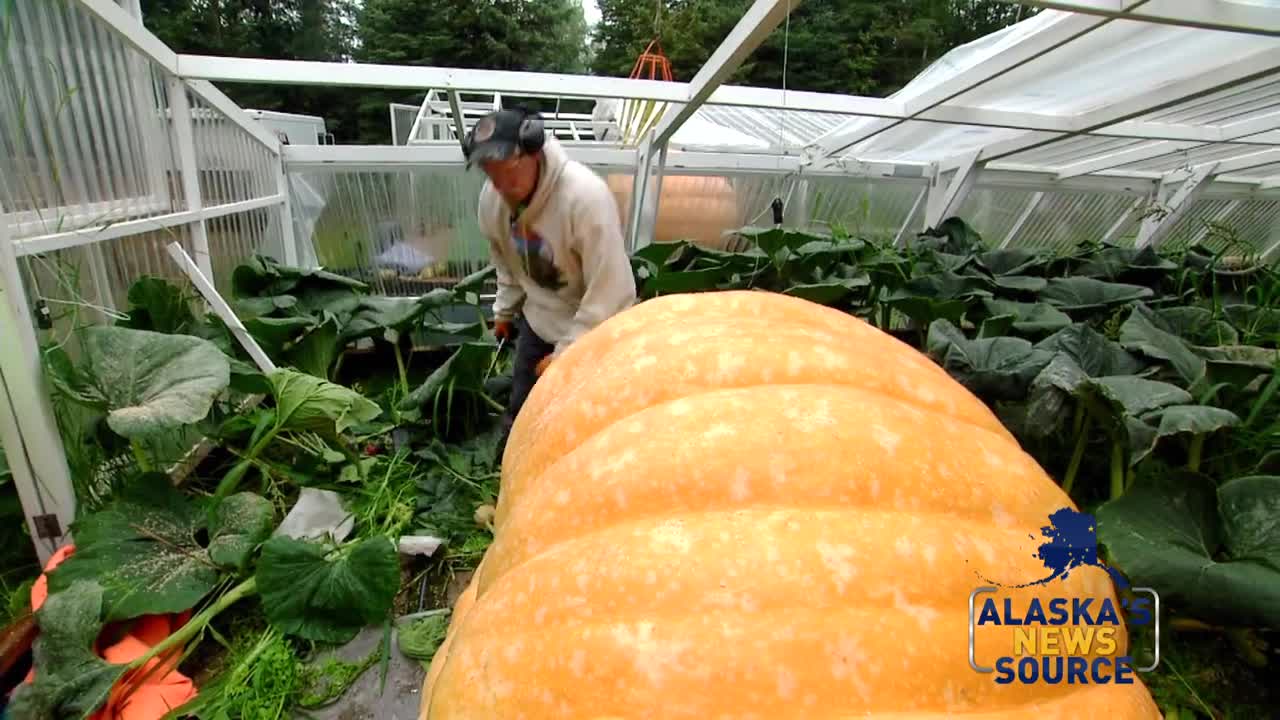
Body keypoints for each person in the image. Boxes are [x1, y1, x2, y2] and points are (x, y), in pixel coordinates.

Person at [462, 107, 637, 462]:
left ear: (535, 151)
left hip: (595, 331)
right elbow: (506, 261)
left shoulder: (586, 198)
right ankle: (511, 468)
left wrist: (566, 356)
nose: (500, 186)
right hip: (538, 322)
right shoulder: (492, 200)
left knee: (587, 421)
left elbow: (611, 291)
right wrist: (504, 311)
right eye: (489, 174)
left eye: (508, 172)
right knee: (524, 408)